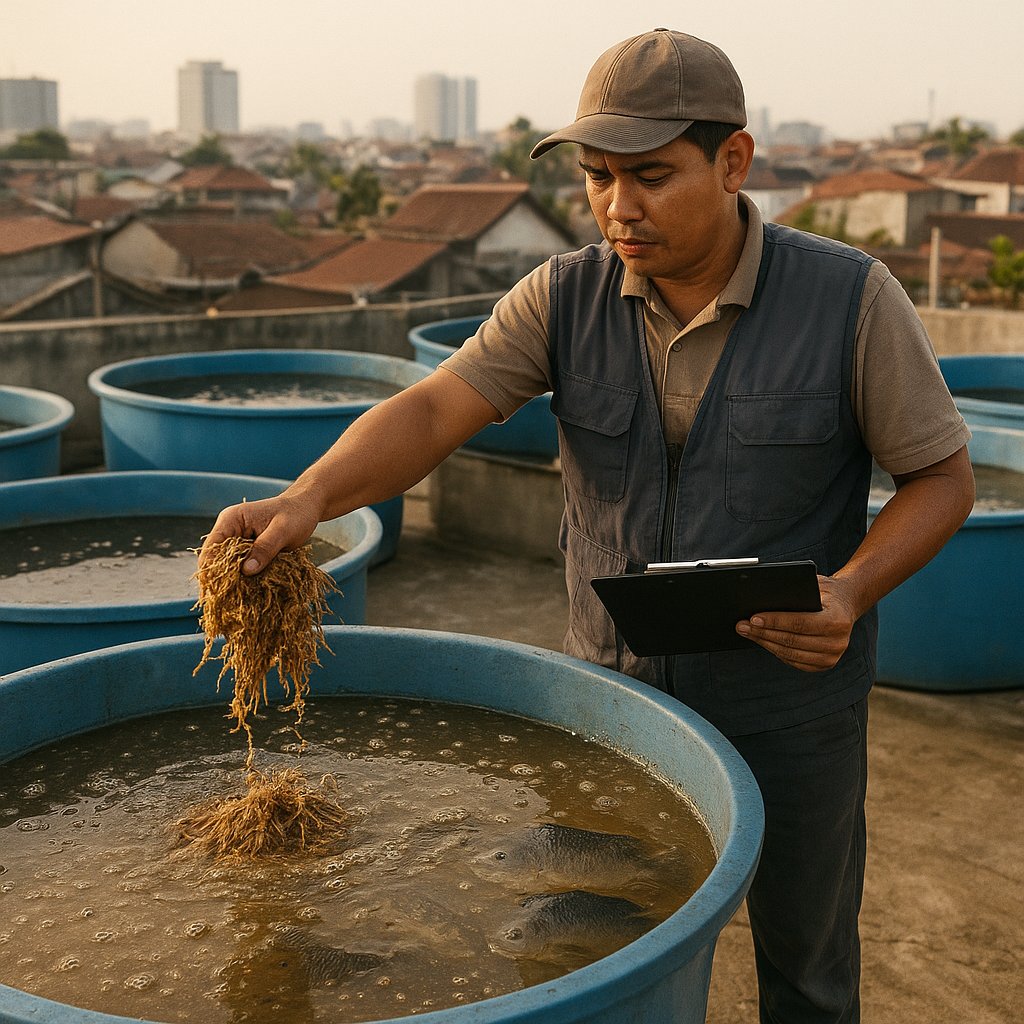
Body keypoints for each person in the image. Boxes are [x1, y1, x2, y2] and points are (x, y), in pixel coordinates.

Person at [200, 28, 975, 1024]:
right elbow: (439, 406)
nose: (618, 206)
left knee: (806, 956)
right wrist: (307, 497)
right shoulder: (565, 295)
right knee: (593, 943)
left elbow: (941, 476)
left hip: (793, 697)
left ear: (733, 161)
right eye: (597, 177)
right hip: (617, 701)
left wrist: (852, 590)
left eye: (650, 176)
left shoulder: (849, 298)